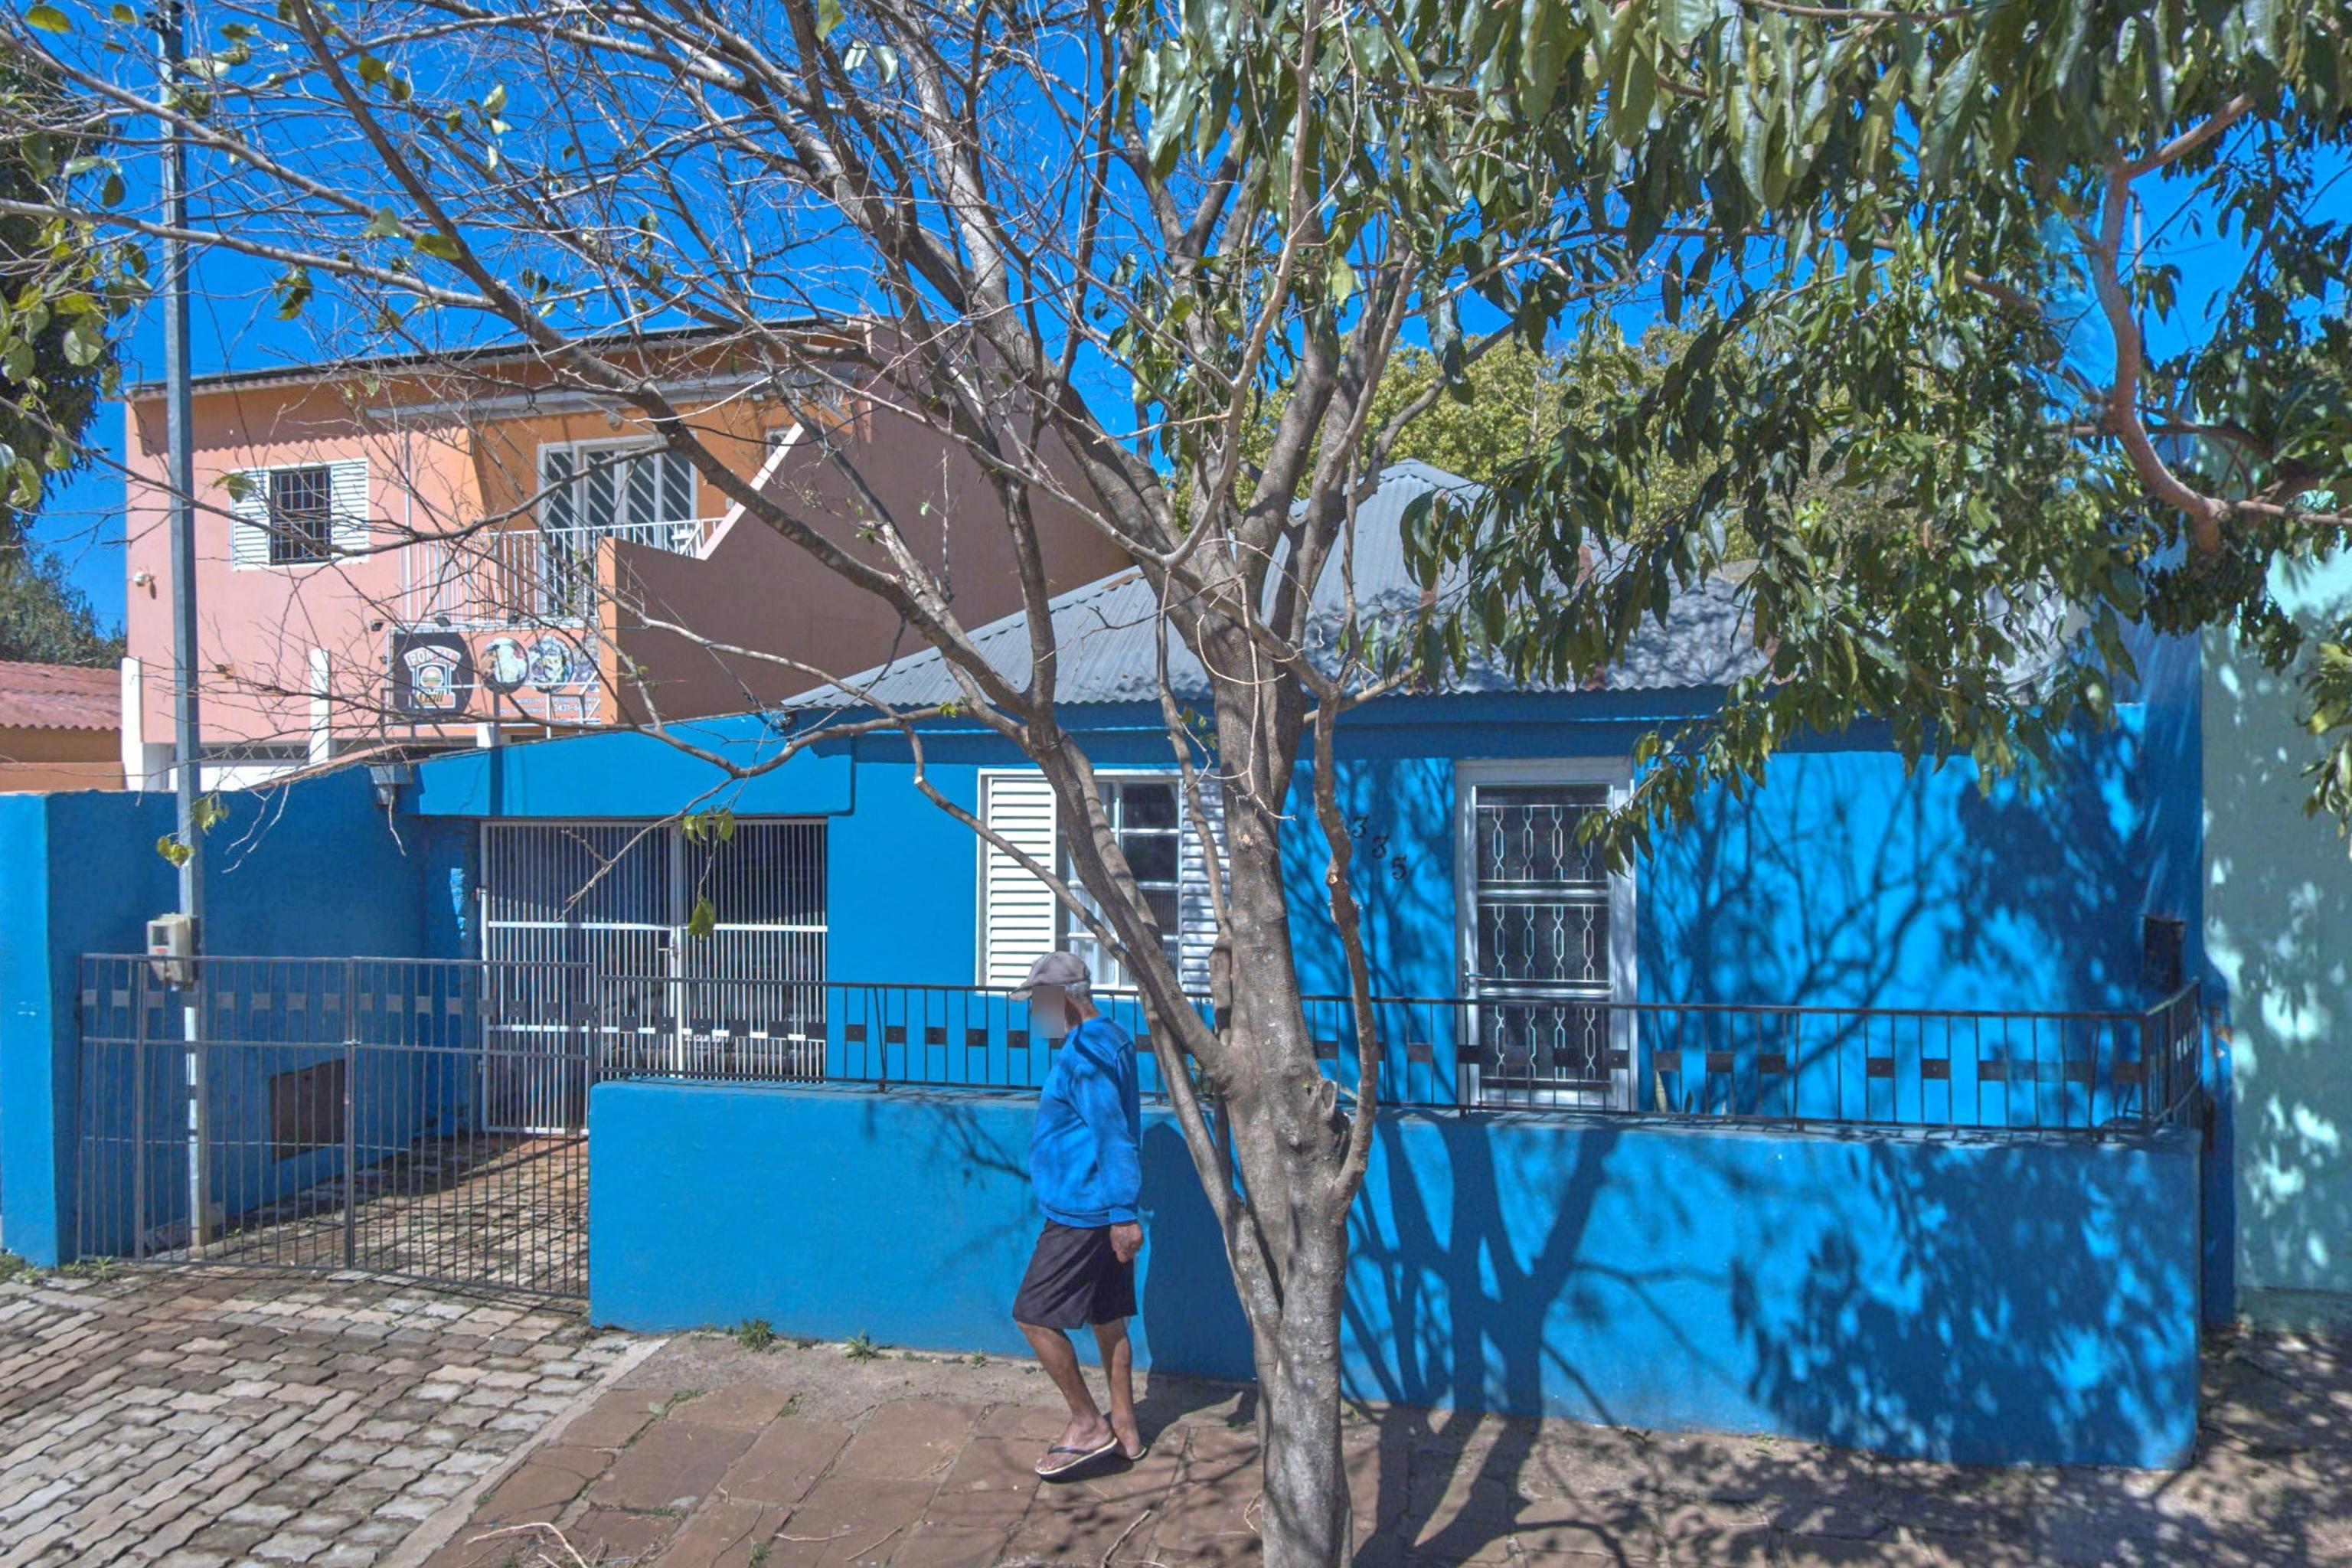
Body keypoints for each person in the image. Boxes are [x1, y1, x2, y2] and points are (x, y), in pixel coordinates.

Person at [1009, 950, 1147, 1479]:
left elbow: (1113, 1134)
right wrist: (1121, 1211)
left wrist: (1122, 1213)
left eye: (1038, 1001)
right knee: (1107, 1318)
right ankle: (1126, 1431)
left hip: (1082, 1213)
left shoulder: (1085, 1056)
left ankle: (1088, 1424)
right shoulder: (1111, 1036)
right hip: (1102, 1208)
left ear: (1062, 998)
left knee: (1033, 1315)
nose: (1034, 1012)